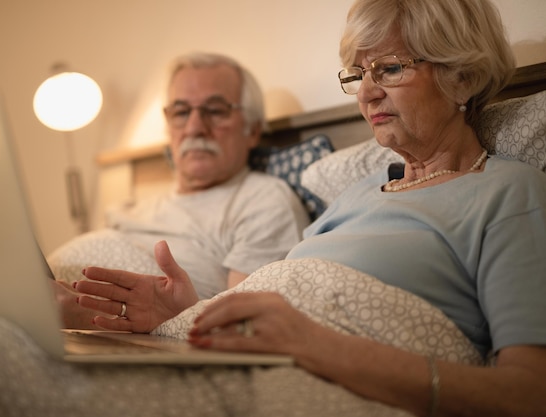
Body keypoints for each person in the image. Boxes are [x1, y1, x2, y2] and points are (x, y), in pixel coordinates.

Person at [72, 0, 546, 415]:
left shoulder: (508, 192)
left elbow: (529, 394)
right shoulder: (355, 194)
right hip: (249, 367)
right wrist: (188, 313)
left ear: (461, 75)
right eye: (359, 75)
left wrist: (320, 347)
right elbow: (280, 315)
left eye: (390, 69)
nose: (366, 92)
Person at [51, 52, 309, 326]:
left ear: (253, 131)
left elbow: (241, 330)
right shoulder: (130, 207)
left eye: (216, 110)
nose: (195, 127)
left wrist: (90, 313)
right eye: (181, 112)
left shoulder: (264, 200)